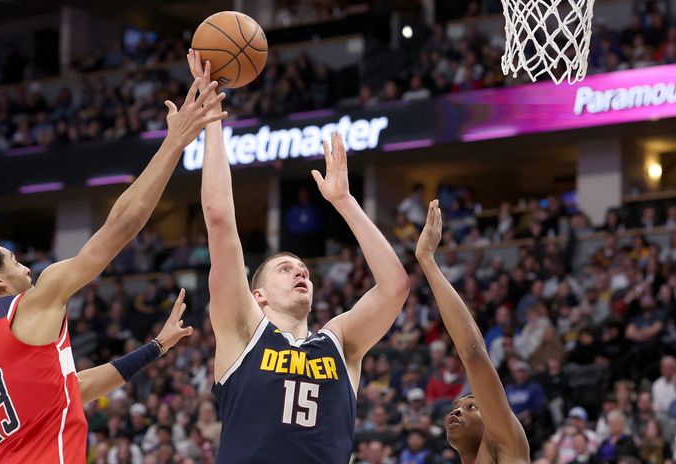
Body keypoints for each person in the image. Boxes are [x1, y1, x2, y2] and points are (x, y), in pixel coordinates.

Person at [0, 77, 227, 463]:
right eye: (12, 259)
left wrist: (156, 347)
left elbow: (71, 389)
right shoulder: (32, 303)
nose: (23, 264)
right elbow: (120, 228)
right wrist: (174, 143)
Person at [188, 50, 410, 463]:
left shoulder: (339, 342)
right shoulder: (241, 330)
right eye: (285, 269)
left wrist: (344, 202)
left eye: (303, 269)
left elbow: (395, 286)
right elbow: (219, 219)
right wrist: (213, 122)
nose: (300, 272)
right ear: (258, 296)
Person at [415, 199, 530, 463]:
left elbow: (472, 352)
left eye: (472, 407)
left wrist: (427, 260)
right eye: (457, 407)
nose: (457, 412)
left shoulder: (505, 448)